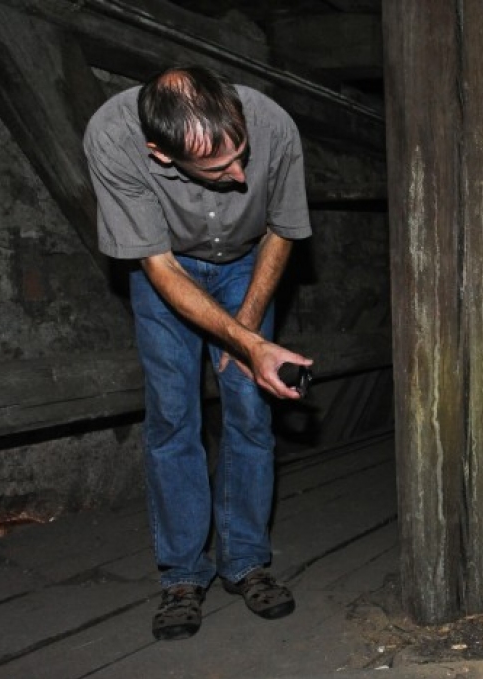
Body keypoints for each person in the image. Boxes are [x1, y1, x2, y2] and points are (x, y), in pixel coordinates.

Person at [83, 65, 313, 641]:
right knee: (172, 415)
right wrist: (250, 344)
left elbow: (282, 229)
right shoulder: (112, 137)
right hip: (169, 268)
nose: (239, 176)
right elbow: (155, 264)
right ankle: (183, 576)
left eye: (242, 156)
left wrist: (249, 334)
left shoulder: (273, 126)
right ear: (159, 154)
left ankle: (247, 562)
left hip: (248, 263)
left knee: (249, 406)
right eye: (217, 168)